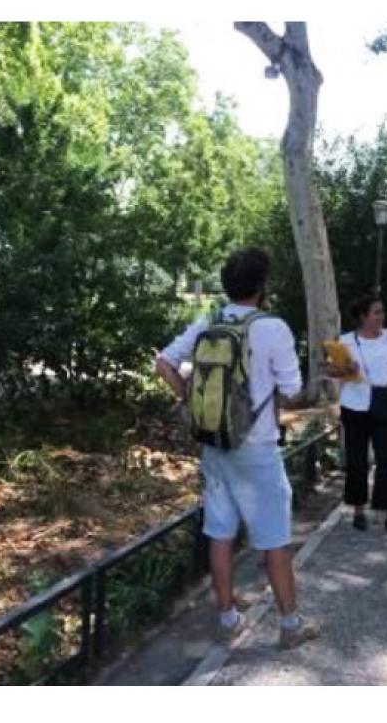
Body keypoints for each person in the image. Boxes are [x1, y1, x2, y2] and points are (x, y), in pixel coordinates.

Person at [154, 247, 321, 649]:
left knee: (221, 532)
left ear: (228, 285)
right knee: (275, 538)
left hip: (213, 445)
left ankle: (228, 619)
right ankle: (291, 624)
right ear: (262, 287)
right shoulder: (273, 327)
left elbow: (163, 363)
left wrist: (188, 402)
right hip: (256, 448)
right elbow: (293, 390)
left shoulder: (209, 320)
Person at [326, 294, 387, 535]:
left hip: (384, 402)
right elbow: (332, 370)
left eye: (382, 312)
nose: (381, 317)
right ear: (363, 317)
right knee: (357, 460)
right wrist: (346, 369)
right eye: (376, 312)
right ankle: (358, 510)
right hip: (355, 405)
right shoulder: (346, 341)